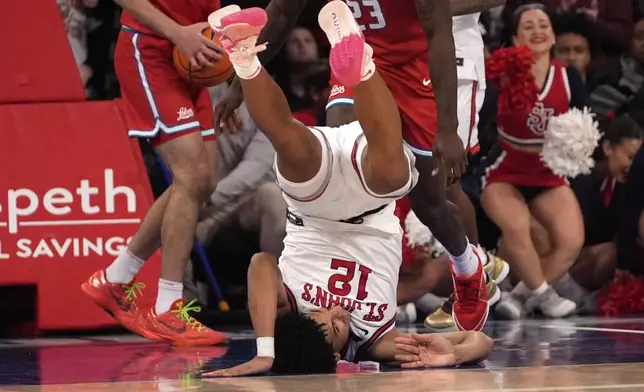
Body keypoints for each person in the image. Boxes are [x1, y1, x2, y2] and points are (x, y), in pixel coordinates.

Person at [203, 2, 493, 376]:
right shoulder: (378, 340)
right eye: (338, 328)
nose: (338, 315)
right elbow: (478, 343)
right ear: (340, 358)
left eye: (327, 321)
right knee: (395, 176)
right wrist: (449, 354)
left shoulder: (292, 306)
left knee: (290, 141)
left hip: (315, 207)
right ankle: (362, 66)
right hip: (369, 199)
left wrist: (264, 351)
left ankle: (245, 58)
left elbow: (260, 263)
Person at [80, 0, 227, 345]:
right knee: (191, 177)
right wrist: (177, 33)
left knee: (202, 182)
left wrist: (225, 78)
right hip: (152, 50)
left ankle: (117, 278)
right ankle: (167, 310)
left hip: (195, 55)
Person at [480, 4, 587, 319]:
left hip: (547, 171)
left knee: (571, 241)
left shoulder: (568, 75)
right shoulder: (501, 73)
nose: (537, 31)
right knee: (518, 227)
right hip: (505, 169)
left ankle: (516, 298)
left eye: (543, 25)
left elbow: (586, 121)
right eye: (528, 26)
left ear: (553, 36)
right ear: (514, 38)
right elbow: (479, 118)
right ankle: (547, 296)